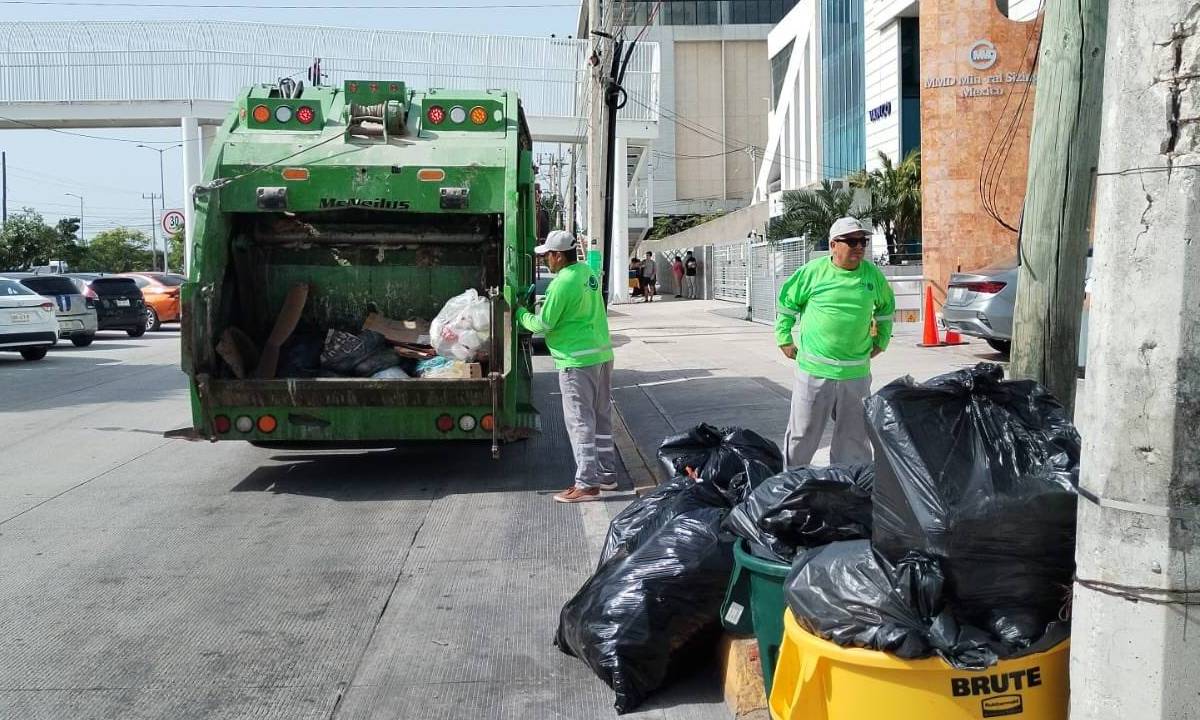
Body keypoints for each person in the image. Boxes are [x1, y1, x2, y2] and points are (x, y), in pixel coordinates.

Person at [775, 216, 895, 468]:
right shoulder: (813, 272)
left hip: (856, 373)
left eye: (863, 241)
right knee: (802, 437)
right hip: (815, 371)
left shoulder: (872, 275)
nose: (859, 247)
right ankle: (790, 489)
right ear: (833, 245)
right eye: (851, 241)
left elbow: (886, 308)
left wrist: (882, 341)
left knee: (854, 441)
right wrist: (783, 337)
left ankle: (849, 491)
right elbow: (787, 304)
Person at [514, 230, 617, 503]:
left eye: (547, 255)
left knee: (580, 422)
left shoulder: (562, 283)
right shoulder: (586, 272)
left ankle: (587, 483)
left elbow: (543, 324)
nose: (545, 260)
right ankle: (607, 475)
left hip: (576, 360)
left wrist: (519, 313)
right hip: (602, 354)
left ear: (558, 256)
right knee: (601, 417)